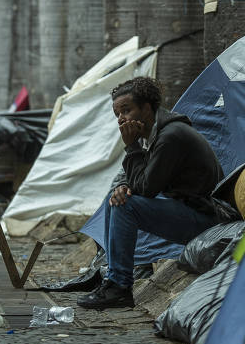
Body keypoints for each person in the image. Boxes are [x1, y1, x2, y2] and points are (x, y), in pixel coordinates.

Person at [77, 77, 223, 310]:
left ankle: (119, 287)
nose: (122, 119)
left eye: (127, 110)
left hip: (206, 222)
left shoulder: (170, 136)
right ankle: (111, 277)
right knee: (115, 197)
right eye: (117, 114)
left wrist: (131, 147)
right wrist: (123, 186)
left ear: (146, 108)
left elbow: (147, 188)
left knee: (125, 205)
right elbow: (141, 179)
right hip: (185, 208)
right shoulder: (154, 134)